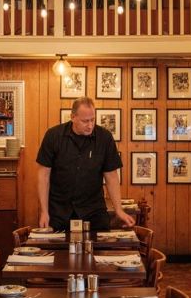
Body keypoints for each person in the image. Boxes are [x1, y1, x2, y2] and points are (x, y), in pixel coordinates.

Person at [36, 97, 135, 231]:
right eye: (85, 121)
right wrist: (44, 211)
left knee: (100, 249)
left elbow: (111, 176)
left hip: (94, 211)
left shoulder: (104, 138)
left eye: (92, 120)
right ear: (73, 117)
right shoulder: (54, 136)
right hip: (59, 211)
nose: (90, 125)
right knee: (58, 251)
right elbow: (43, 176)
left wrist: (119, 210)